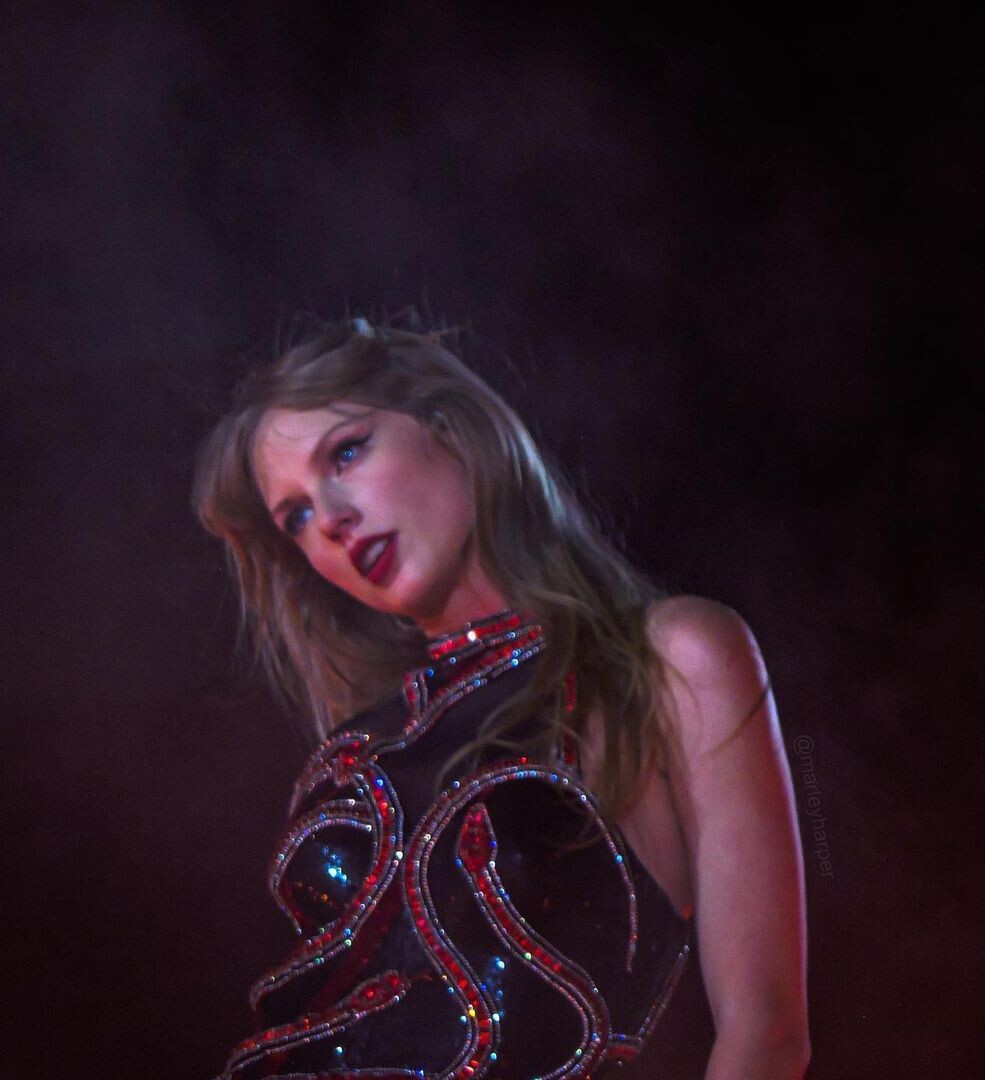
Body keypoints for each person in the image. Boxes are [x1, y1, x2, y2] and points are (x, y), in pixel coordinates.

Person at [194, 318, 810, 1079]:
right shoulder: (352, 758)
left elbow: (766, 1031)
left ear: (448, 425)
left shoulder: (666, 658)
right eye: (297, 517)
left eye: (346, 453)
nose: (331, 519)